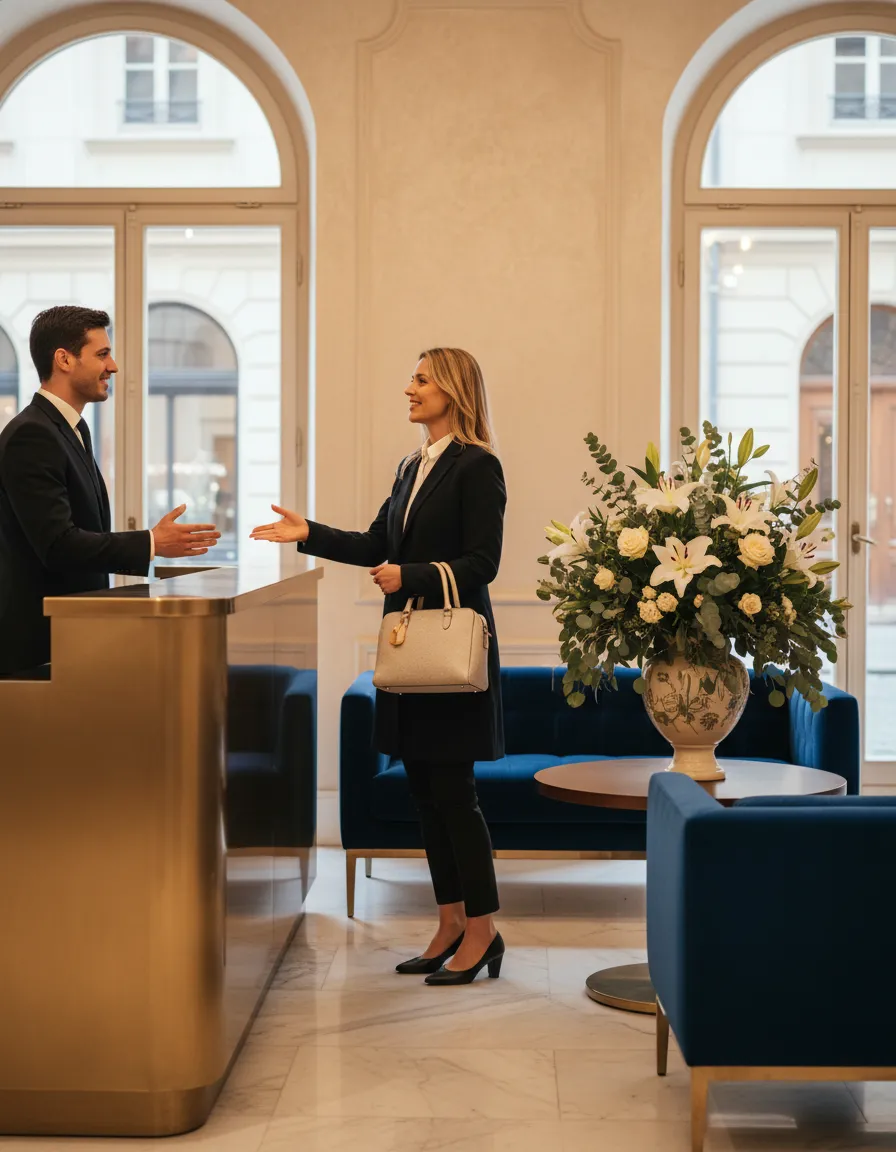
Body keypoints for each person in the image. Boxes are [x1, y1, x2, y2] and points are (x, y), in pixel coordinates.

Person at [251, 347, 506, 985]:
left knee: (455, 795)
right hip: (409, 657)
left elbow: (483, 564)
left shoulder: (479, 467)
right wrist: (307, 530)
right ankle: (449, 921)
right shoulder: (410, 467)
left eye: (421, 380)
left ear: (452, 389)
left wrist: (410, 575)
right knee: (425, 795)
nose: (408, 390)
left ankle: (484, 930)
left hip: (449, 660)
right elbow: (374, 543)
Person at [0, 306, 221, 676]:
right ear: (64, 359)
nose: (113, 366)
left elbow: (85, 535)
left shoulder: (73, 430)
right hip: (37, 650)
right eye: (102, 354)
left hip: (72, 639)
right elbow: (58, 545)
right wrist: (152, 542)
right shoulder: (32, 435)